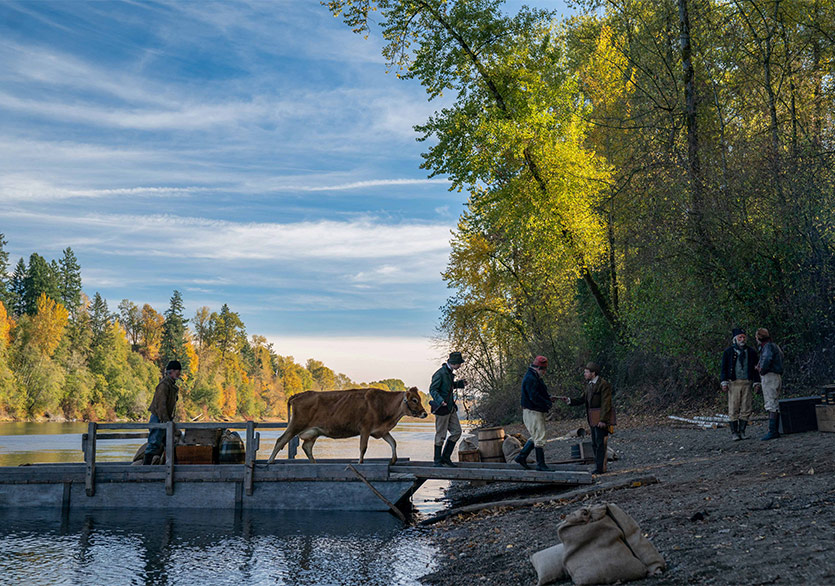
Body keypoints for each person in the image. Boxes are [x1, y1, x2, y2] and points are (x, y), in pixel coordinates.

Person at [558, 362, 614, 474]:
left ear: (593, 373)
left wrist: (603, 420)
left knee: (600, 443)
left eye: (586, 372)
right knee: (595, 443)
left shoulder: (603, 384)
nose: (584, 374)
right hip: (592, 419)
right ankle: (599, 467)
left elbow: (606, 403)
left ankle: (600, 468)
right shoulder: (589, 385)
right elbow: (582, 399)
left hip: (600, 419)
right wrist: (569, 400)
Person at [514, 355, 555, 471]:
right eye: (544, 370)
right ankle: (540, 464)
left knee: (536, 436)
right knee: (539, 437)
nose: (545, 372)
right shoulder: (531, 378)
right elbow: (534, 397)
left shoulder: (533, 376)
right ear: (539, 368)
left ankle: (521, 457)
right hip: (533, 411)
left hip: (532, 410)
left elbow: (537, 394)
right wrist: (547, 403)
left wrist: (548, 398)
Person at [720, 328, 760, 441]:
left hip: (747, 382)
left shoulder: (751, 352)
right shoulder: (728, 352)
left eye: (743, 337)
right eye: (740, 337)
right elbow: (723, 368)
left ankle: (742, 431)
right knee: (733, 408)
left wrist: (757, 383)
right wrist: (724, 382)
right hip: (734, 383)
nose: (742, 339)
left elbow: (756, 368)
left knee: (746, 407)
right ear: (735, 339)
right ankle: (734, 433)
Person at [429, 351, 466, 467]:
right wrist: (440, 400)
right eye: (459, 363)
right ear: (454, 363)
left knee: (457, 432)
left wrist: (459, 384)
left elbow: (448, 386)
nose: (460, 365)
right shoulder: (440, 374)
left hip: (450, 408)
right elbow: (432, 389)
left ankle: (445, 458)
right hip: (442, 408)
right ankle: (437, 460)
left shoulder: (449, 373)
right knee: (441, 435)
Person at [144, 360, 182, 465]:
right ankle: (144, 469)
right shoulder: (164, 385)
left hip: (164, 419)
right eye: (178, 371)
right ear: (172, 371)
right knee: (154, 443)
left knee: (169, 444)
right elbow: (161, 406)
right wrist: (166, 422)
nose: (179, 374)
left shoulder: (171, 385)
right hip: (159, 419)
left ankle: (172, 466)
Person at [755, 328, 784, 441]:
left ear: (759, 337)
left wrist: (761, 369)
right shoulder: (774, 345)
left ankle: (773, 431)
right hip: (776, 375)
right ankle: (774, 430)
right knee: (774, 402)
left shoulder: (767, 347)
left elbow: (767, 359)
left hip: (770, 376)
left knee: (771, 403)